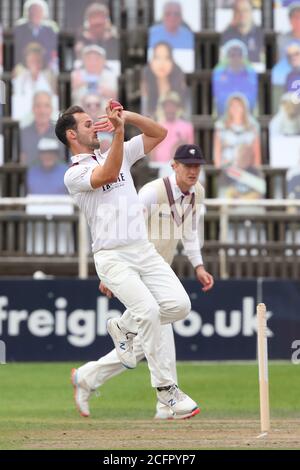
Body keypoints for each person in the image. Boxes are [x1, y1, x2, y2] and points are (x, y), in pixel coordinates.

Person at [56, 100, 200, 419]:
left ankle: (122, 327)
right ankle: (167, 393)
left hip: (142, 250)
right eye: (86, 124)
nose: (95, 126)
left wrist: (126, 118)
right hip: (112, 256)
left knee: (179, 306)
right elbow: (106, 174)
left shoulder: (114, 153)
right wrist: (120, 134)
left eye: (95, 121)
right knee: (148, 312)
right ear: (71, 135)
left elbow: (159, 133)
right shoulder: (75, 173)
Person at [76, 143, 214, 419]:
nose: (193, 171)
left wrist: (198, 266)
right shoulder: (152, 191)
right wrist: (116, 273)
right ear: (174, 165)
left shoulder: (196, 193)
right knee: (155, 334)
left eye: (197, 166)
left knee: (144, 339)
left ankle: (88, 376)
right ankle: (165, 400)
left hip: (159, 271)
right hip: (136, 269)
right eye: (188, 166)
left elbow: (190, 232)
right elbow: (128, 228)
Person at [214, 93, 264, 199]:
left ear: (244, 108)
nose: (235, 108)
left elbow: (256, 152)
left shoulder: (253, 127)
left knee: (258, 187)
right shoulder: (221, 126)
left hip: (247, 169)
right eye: (232, 105)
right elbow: (217, 150)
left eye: (238, 105)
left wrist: (256, 170)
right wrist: (218, 168)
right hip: (227, 169)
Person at [141, 42, 188, 118]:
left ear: (172, 61)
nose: (161, 63)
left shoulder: (179, 91)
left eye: (167, 58)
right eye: (157, 57)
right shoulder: (146, 88)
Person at [213, 39, 258, 115]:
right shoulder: (218, 73)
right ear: (227, 57)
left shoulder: (251, 73)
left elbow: (252, 96)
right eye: (232, 55)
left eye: (239, 55)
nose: (236, 58)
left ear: (243, 57)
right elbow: (218, 96)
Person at [21, 91, 64, 166]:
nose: (42, 111)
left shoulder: (61, 134)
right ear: (33, 109)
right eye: (38, 106)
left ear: (51, 109)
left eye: (46, 106)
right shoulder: (23, 134)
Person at [151, 91, 194, 163]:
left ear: (177, 107)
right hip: (160, 166)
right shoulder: (157, 126)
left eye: (172, 106)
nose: (169, 109)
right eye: (167, 106)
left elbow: (191, 150)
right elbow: (152, 149)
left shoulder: (187, 126)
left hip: (180, 166)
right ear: (163, 108)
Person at [13, 0, 58, 70]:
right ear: (27, 13)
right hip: (23, 65)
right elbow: (17, 50)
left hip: (45, 65)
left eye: (38, 11)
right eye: (32, 11)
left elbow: (53, 50)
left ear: (43, 13)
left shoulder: (50, 29)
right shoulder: (19, 28)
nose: (35, 14)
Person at [221, 0, 264, 65]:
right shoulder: (225, 35)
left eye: (245, 10)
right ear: (234, 13)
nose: (242, 14)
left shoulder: (261, 35)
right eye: (238, 11)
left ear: (251, 12)